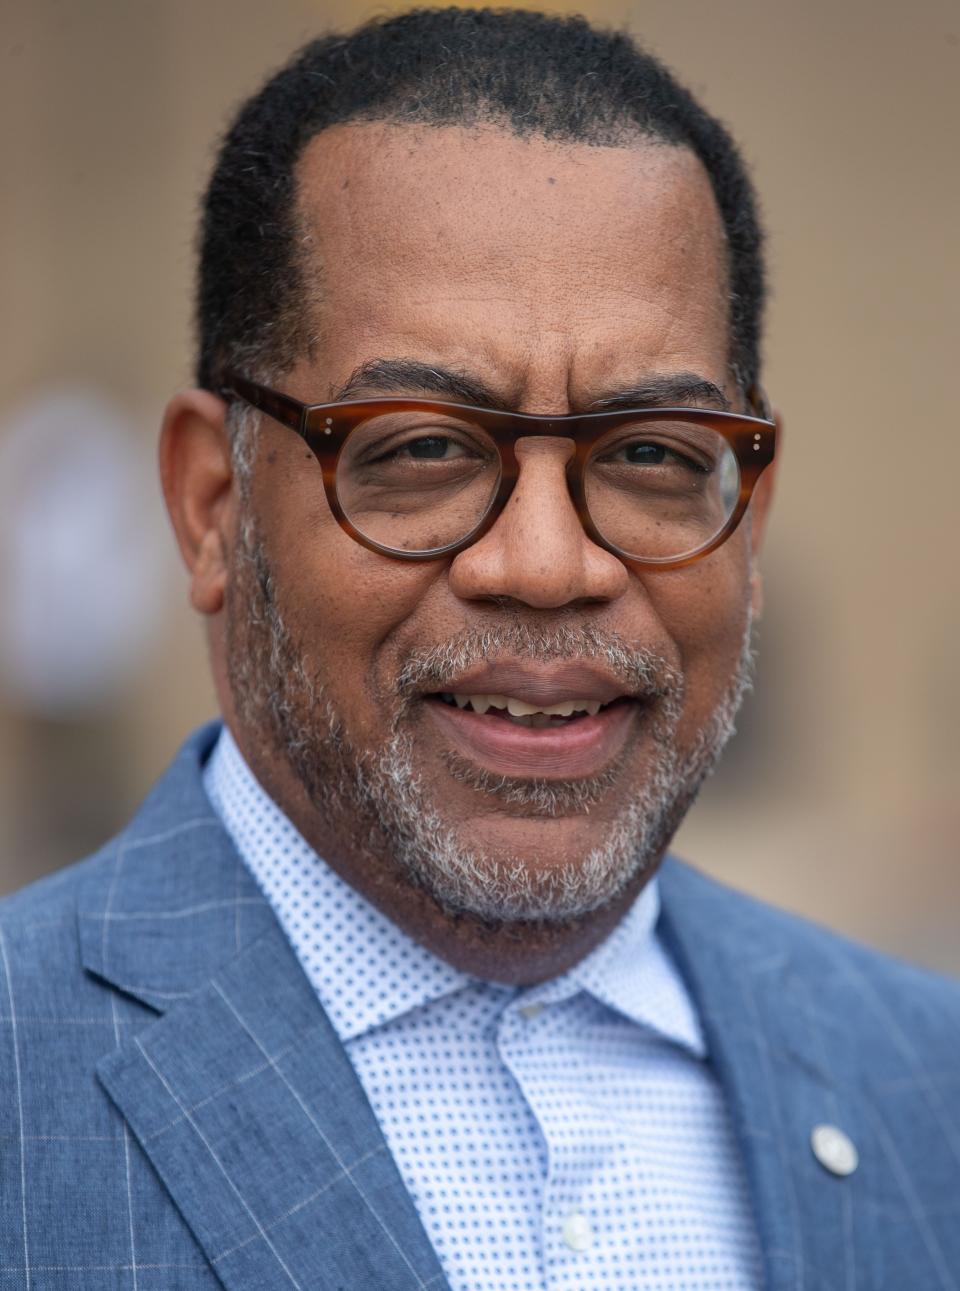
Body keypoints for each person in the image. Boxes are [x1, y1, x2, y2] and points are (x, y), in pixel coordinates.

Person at [1, 9, 958, 1288]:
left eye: (655, 455)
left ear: (752, 519)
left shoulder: (925, 1085)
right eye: (423, 447)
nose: (550, 565)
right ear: (212, 506)